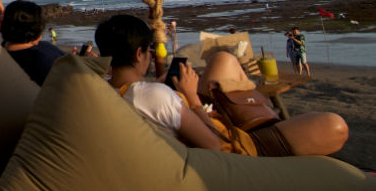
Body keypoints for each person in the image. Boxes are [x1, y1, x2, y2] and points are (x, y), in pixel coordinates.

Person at [96, 14, 347, 157]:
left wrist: (162, 87)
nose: (151, 55)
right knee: (335, 127)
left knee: (223, 59)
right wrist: (192, 97)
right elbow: (214, 146)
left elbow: (150, 103)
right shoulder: (154, 95)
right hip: (238, 146)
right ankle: (267, 116)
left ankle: (262, 112)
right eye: (150, 51)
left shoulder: (106, 89)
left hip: (206, 116)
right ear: (139, 53)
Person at [0, 0, 96, 85]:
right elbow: (70, 84)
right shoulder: (39, 60)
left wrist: (71, 60)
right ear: (37, 27)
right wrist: (85, 66)